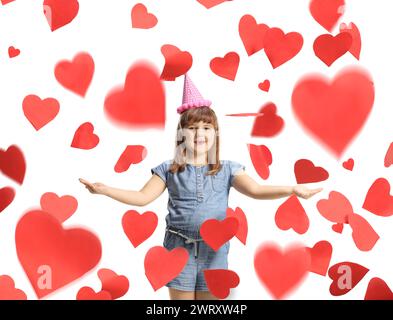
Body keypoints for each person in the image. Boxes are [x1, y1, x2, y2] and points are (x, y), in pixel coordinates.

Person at [79, 74, 323, 300]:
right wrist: (105, 190)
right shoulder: (168, 169)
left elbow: (256, 190)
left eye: (206, 128)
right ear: (181, 134)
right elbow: (142, 197)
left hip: (214, 254)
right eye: (192, 128)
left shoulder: (228, 169)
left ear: (215, 133)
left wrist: (292, 189)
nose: (199, 134)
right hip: (178, 251)